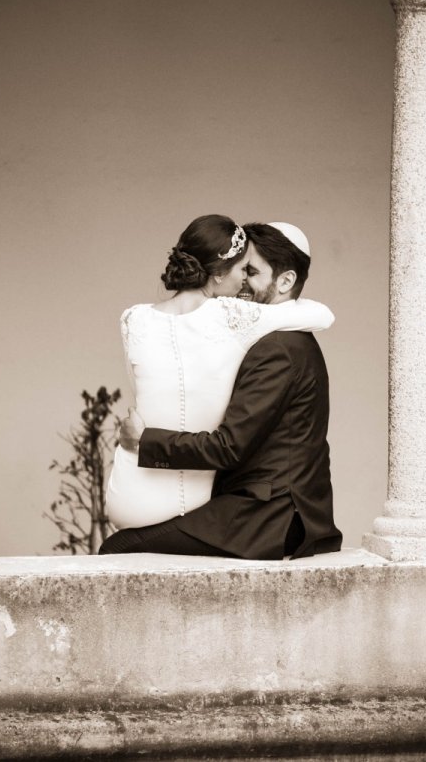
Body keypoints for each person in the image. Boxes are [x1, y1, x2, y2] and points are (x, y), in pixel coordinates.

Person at [100, 221, 342, 560]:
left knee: (118, 547)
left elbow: (230, 446)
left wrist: (144, 441)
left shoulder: (279, 348)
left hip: (273, 515)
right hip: (260, 506)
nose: (242, 281)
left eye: (252, 271)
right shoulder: (267, 335)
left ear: (286, 281)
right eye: (240, 269)